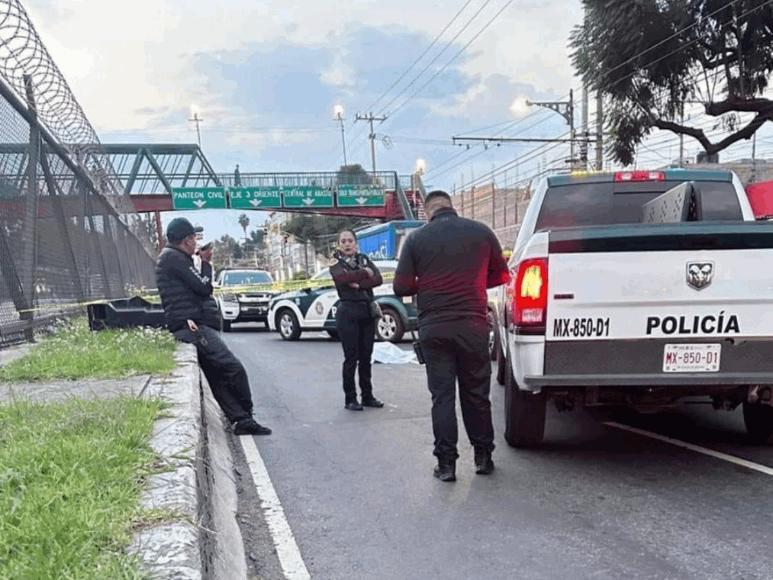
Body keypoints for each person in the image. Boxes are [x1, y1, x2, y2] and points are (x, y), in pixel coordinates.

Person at [393, 190, 509, 482]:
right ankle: (483, 457)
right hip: (472, 325)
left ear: (428, 210)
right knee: (476, 394)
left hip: (435, 328)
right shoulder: (481, 232)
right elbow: (501, 276)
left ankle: (446, 465)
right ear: (451, 206)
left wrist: (426, 283)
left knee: (442, 397)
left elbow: (401, 287)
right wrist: (473, 280)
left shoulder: (417, 239)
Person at [155, 217, 271, 436]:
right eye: (194, 239)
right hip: (192, 328)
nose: (196, 244)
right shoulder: (175, 258)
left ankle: (242, 420)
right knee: (233, 368)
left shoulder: (174, 257)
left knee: (217, 376)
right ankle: (247, 412)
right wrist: (206, 264)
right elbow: (203, 288)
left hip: (190, 324)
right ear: (187, 240)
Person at [329, 229, 386, 411]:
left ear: (355, 243)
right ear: (339, 244)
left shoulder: (363, 259)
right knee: (351, 358)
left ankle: (367, 396)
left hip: (366, 311)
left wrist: (359, 283)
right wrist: (365, 273)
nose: (347, 244)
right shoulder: (335, 262)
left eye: (350, 240)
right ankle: (350, 398)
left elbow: (378, 279)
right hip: (348, 313)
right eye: (343, 241)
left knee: (366, 357)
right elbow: (342, 278)